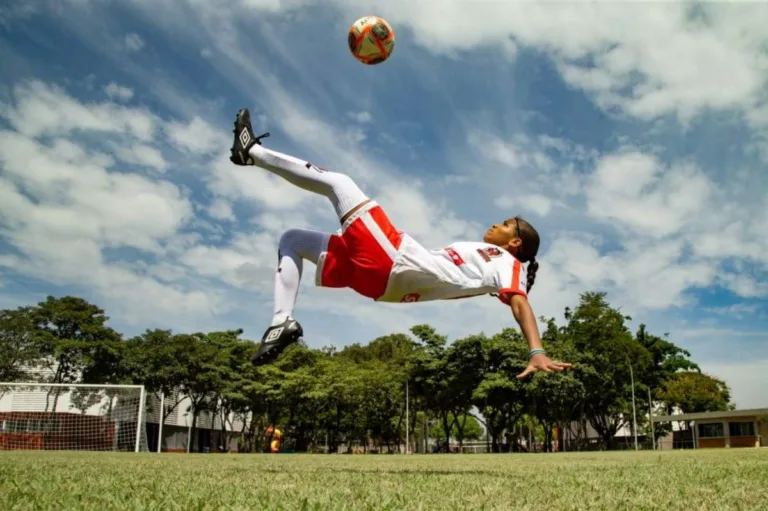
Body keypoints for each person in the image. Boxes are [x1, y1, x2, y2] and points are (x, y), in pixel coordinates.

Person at [229, 108, 571, 379]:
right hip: (380, 285)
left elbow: (520, 303)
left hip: (393, 261)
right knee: (293, 240)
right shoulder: (490, 259)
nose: (496, 223)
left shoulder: (507, 263)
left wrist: (535, 350)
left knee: (339, 184)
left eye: (505, 224)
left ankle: (252, 153)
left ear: (513, 243)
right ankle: (280, 322)